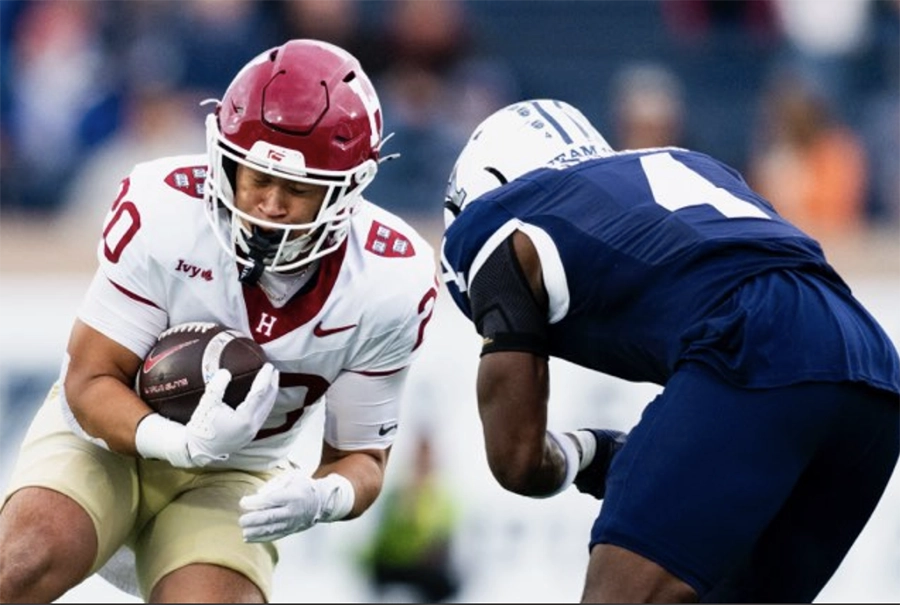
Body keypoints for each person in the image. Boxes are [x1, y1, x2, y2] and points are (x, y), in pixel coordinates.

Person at [0, 39, 438, 603]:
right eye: (256, 178)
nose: (270, 205)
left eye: (298, 188)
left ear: (349, 190)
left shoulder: (388, 280)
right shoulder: (165, 208)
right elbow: (90, 382)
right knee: (22, 559)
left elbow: (361, 458)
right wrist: (179, 442)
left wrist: (321, 498)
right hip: (106, 440)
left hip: (238, 474)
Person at [439, 98, 900, 603]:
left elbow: (518, 460)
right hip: (871, 363)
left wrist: (588, 451)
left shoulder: (501, 223)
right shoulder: (687, 163)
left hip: (757, 342)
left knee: (617, 596)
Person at [359, 432, 461, 603]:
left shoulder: (444, 498)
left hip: (427, 569)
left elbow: (444, 538)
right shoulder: (396, 494)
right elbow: (384, 538)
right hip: (394, 564)